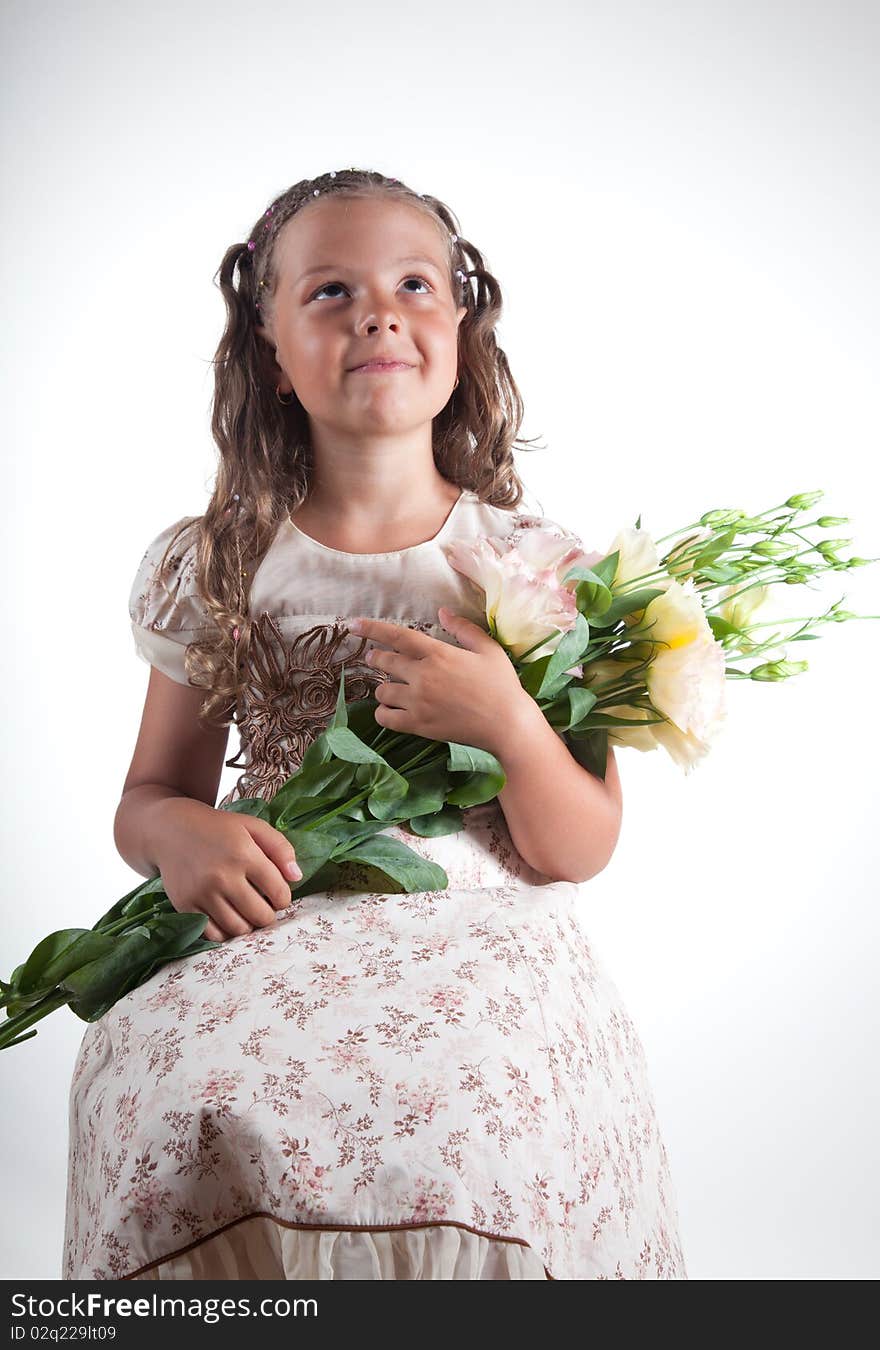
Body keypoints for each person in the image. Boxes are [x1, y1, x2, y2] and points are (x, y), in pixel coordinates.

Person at [62, 168, 688, 1280]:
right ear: (269, 351)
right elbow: (148, 795)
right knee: (172, 1079)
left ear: (459, 324)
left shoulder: (530, 567)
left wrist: (507, 720)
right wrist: (181, 836)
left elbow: (577, 846)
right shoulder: (217, 567)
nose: (378, 313)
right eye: (331, 293)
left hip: (476, 927)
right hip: (279, 907)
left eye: (411, 284)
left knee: (469, 1111)